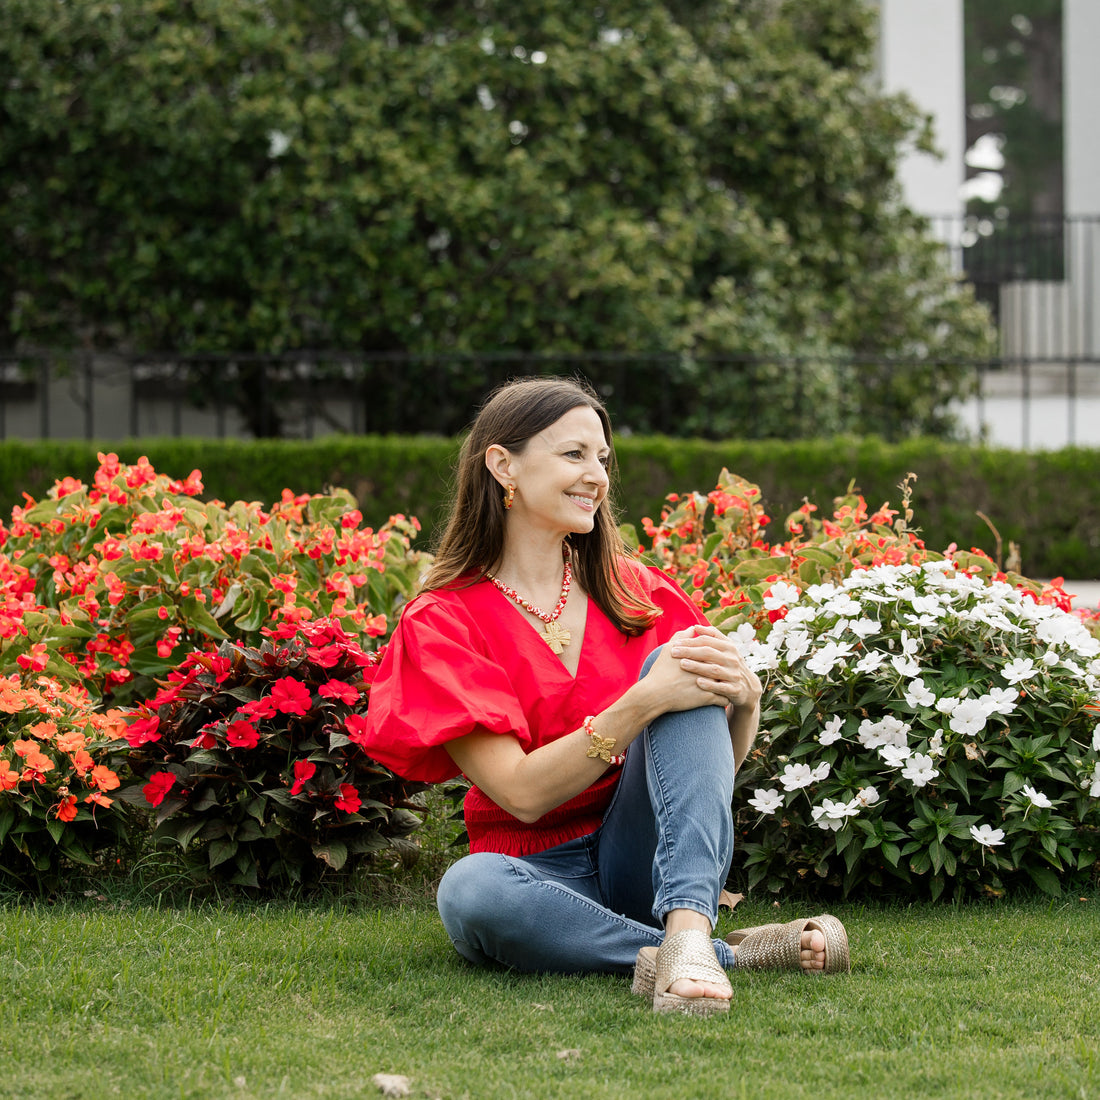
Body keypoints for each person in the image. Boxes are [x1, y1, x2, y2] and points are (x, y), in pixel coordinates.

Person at [362, 376, 848, 1016]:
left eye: (602, 459)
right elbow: (524, 795)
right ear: (503, 464)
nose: (596, 475)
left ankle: (686, 931)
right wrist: (643, 702)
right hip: (534, 875)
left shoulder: (638, 592)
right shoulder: (444, 621)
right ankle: (719, 951)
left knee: (684, 668)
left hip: (646, 859)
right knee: (469, 890)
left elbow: (700, 783)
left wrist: (746, 706)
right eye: (573, 455)